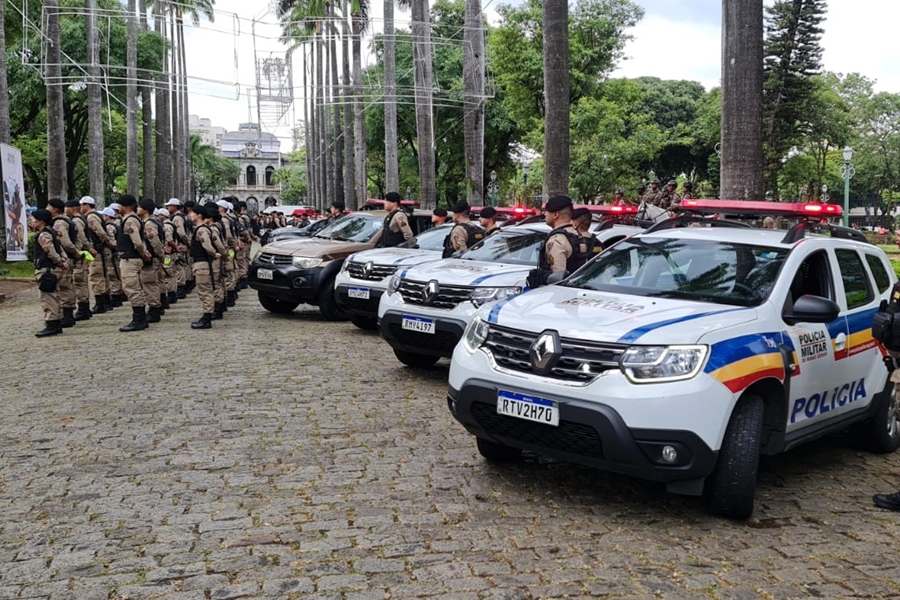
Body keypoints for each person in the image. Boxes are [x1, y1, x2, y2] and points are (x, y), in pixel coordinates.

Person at [528, 195, 591, 287]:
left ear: (555, 215)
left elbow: (558, 278)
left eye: (547, 212)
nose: (545, 214)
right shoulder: (580, 236)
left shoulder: (557, 240)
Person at [116, 195, 151, 332]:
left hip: (130, 259)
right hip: (129, 258)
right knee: (132, 287)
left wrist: (143, 253)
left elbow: (136, 241)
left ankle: (139, 319)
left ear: (126, 206)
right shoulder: (130, 219)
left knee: (132, 287)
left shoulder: (130, 220)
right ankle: (139, 318)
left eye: (119, 205)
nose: (118, 208)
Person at [32, 209, 68, 337]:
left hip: (47, 269)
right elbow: (61, 248)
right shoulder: (53, 232)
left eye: (35, 220)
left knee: (48, 298)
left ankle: (51, 323)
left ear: (41, 221)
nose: (33, 222)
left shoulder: (44, 235)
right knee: (55, 295)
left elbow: (50, 251)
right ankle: (57, 322)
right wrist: (63, 260)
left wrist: (59, 261)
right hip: (54, 269)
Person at [47, 198, 79, 327]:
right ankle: (67, 315)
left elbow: (65, 242)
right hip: (67, 258)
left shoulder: (59, 223)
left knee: (65, 287)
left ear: (54, 209)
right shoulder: (65, 221)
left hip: (65, 258)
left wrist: (74, 253)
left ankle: (67, 316)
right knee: (66, 286)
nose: (47, 208)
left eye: (49, 206)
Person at [189, 204, 221, 329]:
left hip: (202, 264)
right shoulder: (200, 228)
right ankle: (206, 316)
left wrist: (213, 253)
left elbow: (207, 245)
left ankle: (207, 318)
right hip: (200, 263)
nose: (190, 215)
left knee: (205, 290)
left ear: (199, 215)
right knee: (203, 290)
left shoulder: (201, 229)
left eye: (193, 213)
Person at [79, 196, 113, 314]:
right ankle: (106, 302)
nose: (81, 207)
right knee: (103, 276)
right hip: (100, 249)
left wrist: (107, 241)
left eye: (82, 205)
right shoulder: (97, 215)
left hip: (97, 251)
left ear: (87, 205)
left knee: (96, 276)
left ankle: (100, 304)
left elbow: (100, 232)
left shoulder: (91, 216)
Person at [65, 199, 94, 321]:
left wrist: (84, 249)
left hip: (79, 255)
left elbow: (81, 236)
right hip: (81, 253)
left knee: (79, 282)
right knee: (80, 281)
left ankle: (83, 308)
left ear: (72, 208)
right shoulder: (80, 219)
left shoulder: (76, 220)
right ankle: (84, 308)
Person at [139, 200, 166, 322]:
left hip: (152, 258)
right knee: (154, 283)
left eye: (140, 207)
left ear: (145, 209)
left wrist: (161, 256)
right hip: (156, 258)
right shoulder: (155, 221)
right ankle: (157, 307)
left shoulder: (149, 223)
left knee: (150, 285)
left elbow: (155, 242)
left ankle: (154, 310)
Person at [166, 198, 191, 299]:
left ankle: (181, 289)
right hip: (183, 244)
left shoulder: (177, 218)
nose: (167, 208)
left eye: (169, 206)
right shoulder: (184, 216)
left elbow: (181, 233)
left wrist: (187, 243)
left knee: (179, 267)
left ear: (174, 207)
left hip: (180, 245)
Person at [208, 206, 229, 319]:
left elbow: (219, 245)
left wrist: (224, 255)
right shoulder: (218, 226)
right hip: (218, 257)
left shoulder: (213, 228)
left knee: (216, 282)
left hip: (216, 258)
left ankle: (218, 309)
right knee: (219, 281)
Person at [102, 207, 125, 307]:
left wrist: (110, 245)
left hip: (113, 254)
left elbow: (112, 241)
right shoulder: (116, 224)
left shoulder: (109, 227)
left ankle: (116, 296)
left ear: (107, 216)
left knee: (113, 274)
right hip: (117, 254)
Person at [157, 209, 179, 305]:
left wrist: (174, 247)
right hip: (170, 254)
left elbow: (169, 239)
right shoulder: (170, 224)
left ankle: (171, 294)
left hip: (167, 255)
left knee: (167, 273)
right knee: (171, 273)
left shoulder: (166, 226)